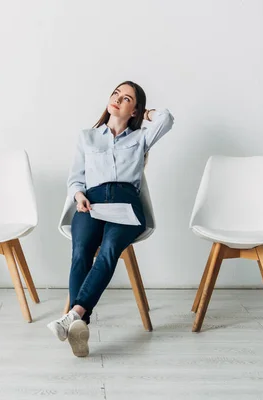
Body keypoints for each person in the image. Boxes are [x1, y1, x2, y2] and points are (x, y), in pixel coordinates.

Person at [47, 81, 174, 357]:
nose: (117, 99)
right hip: (90, 203)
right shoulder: (87, 137)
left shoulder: (140, 137)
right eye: (116, 93)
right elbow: (75, 178)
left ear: (134, 109)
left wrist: (146, 114)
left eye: (126, 98)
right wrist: (78, 195)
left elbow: (167, 119)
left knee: (108, 250)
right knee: (80, 252)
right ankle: (77, 321)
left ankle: (74, 315)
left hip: (126, 205)